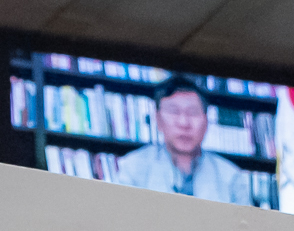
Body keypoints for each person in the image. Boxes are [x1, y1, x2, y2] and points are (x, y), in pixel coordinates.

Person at [110, 76, 259, 205]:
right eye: (174, 112)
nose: (184, 123)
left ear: (207, 121)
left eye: (193, 113)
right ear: (158, 119)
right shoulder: (134, 167)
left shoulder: (230, 176)